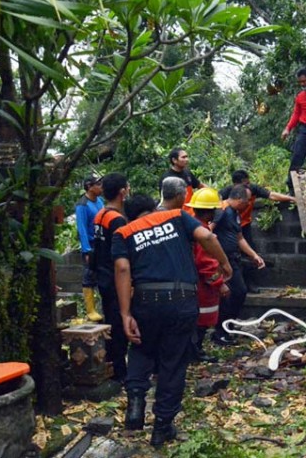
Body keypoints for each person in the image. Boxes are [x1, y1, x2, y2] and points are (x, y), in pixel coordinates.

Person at [113, 193, 232, 448]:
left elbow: (122, 269)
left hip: (146, 300)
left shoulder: (123, 233)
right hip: (181, 299)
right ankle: (162, 427)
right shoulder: (177, 217)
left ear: (131, 214)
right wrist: (224, 263)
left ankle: (135, 401)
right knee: (173, 363)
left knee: (141, 349)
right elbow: (207, 237)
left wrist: (125, 315)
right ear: (151, 208)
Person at [219, 170, 296, 293]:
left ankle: (250, 283)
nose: (247, 187)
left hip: (244, 226)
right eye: (245, 184)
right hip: (228, 228)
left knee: (250, 254)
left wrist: (291, 198)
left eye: (248, 183)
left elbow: (271, 195)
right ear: (236, 186)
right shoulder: (226, 194)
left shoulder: (253, 189)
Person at [211, 185, 265, 345]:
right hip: (223, 261)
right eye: (247, 201)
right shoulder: (221, 211)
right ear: (240, 199)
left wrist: (254, 255)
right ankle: (220, 331)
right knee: (236, 292)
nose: (249, 204)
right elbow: (208, 233)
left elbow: (239, 238)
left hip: (233, 259)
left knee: (238, 293)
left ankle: (226, 328)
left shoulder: (235, 214)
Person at [92, 173, 129, 382]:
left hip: (103, 276)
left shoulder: (101, 215)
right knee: (118, 322)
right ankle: (120, 371)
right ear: (122, 192)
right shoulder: (117, 220)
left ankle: (113, 365)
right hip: (115, 279)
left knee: (111, 319)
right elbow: (120, 256)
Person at [185, 188, 230, 363]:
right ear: (209, 211)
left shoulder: (193, 226)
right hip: (203, 286)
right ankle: (195, 353)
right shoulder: (201, 232)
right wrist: (220, 283)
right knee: (201, 321)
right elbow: (206, 264)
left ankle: (194, 351)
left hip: (195, 282)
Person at [76, 175, 104, 322]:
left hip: (101, 242)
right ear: (89, 186)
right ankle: (90, 310)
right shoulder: (82, 205)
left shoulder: (99, 201)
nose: (101, 187)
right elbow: (81, 229)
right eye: (98, 185)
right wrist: (86, 250)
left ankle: (100, 306)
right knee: (89, 275)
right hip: (91, 245)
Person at [159, 147, 205, 212]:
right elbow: (164, 200)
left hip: (191, 213)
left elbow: (200, 186)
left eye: (187, 157)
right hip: (177, 214)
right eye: (183, 157)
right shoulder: (167, 178)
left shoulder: (187, 173)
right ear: (174, 160)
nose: (187, 159)